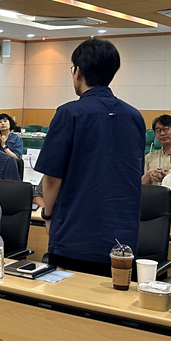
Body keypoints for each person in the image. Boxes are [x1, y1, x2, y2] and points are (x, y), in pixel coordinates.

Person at [35, 38, 145, 277]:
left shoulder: (69, 113)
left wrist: (49, 215)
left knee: (68, 297)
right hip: (122, 237)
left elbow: (51, 178)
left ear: (78, 72)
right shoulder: (134, 116)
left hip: (75, 233)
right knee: (113, 297)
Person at [143, 115, 171, 185]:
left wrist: (167, 179)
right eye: (158, 131)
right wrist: (149, 175)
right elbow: (141, 186)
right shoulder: (149, 157)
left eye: (165, 129)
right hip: (154, 191)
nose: (162, 133)